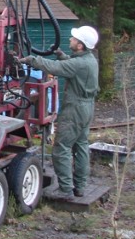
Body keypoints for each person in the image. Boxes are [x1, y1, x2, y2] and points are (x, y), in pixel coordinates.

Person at [18, 25, 99, 199]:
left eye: (74, 39)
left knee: (61, 149)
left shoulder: (78, 64)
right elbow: (72, 65)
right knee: (81, 145)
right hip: (87, 108)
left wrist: (33, 60)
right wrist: (62, 56)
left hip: (75, 109)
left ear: (80, 45)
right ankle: (80, 187)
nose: (70, 39)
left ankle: (65, 191)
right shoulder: (89, 60)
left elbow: (54, 68)